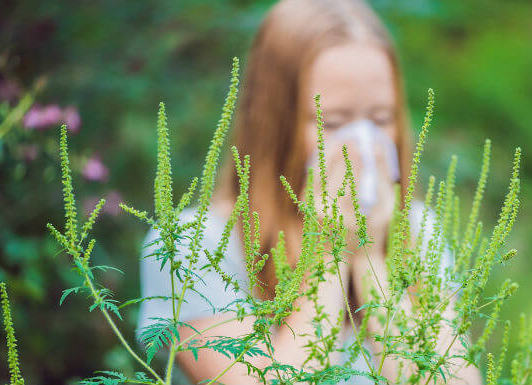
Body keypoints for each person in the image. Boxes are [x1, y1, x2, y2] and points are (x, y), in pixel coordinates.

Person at [137, 0, 482, 384]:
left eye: (381, 118)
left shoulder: (420, 230)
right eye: (333, 122)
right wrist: (331, 253)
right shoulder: (193, 246)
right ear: (274, 125)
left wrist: (369, 255)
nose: (361, 145)